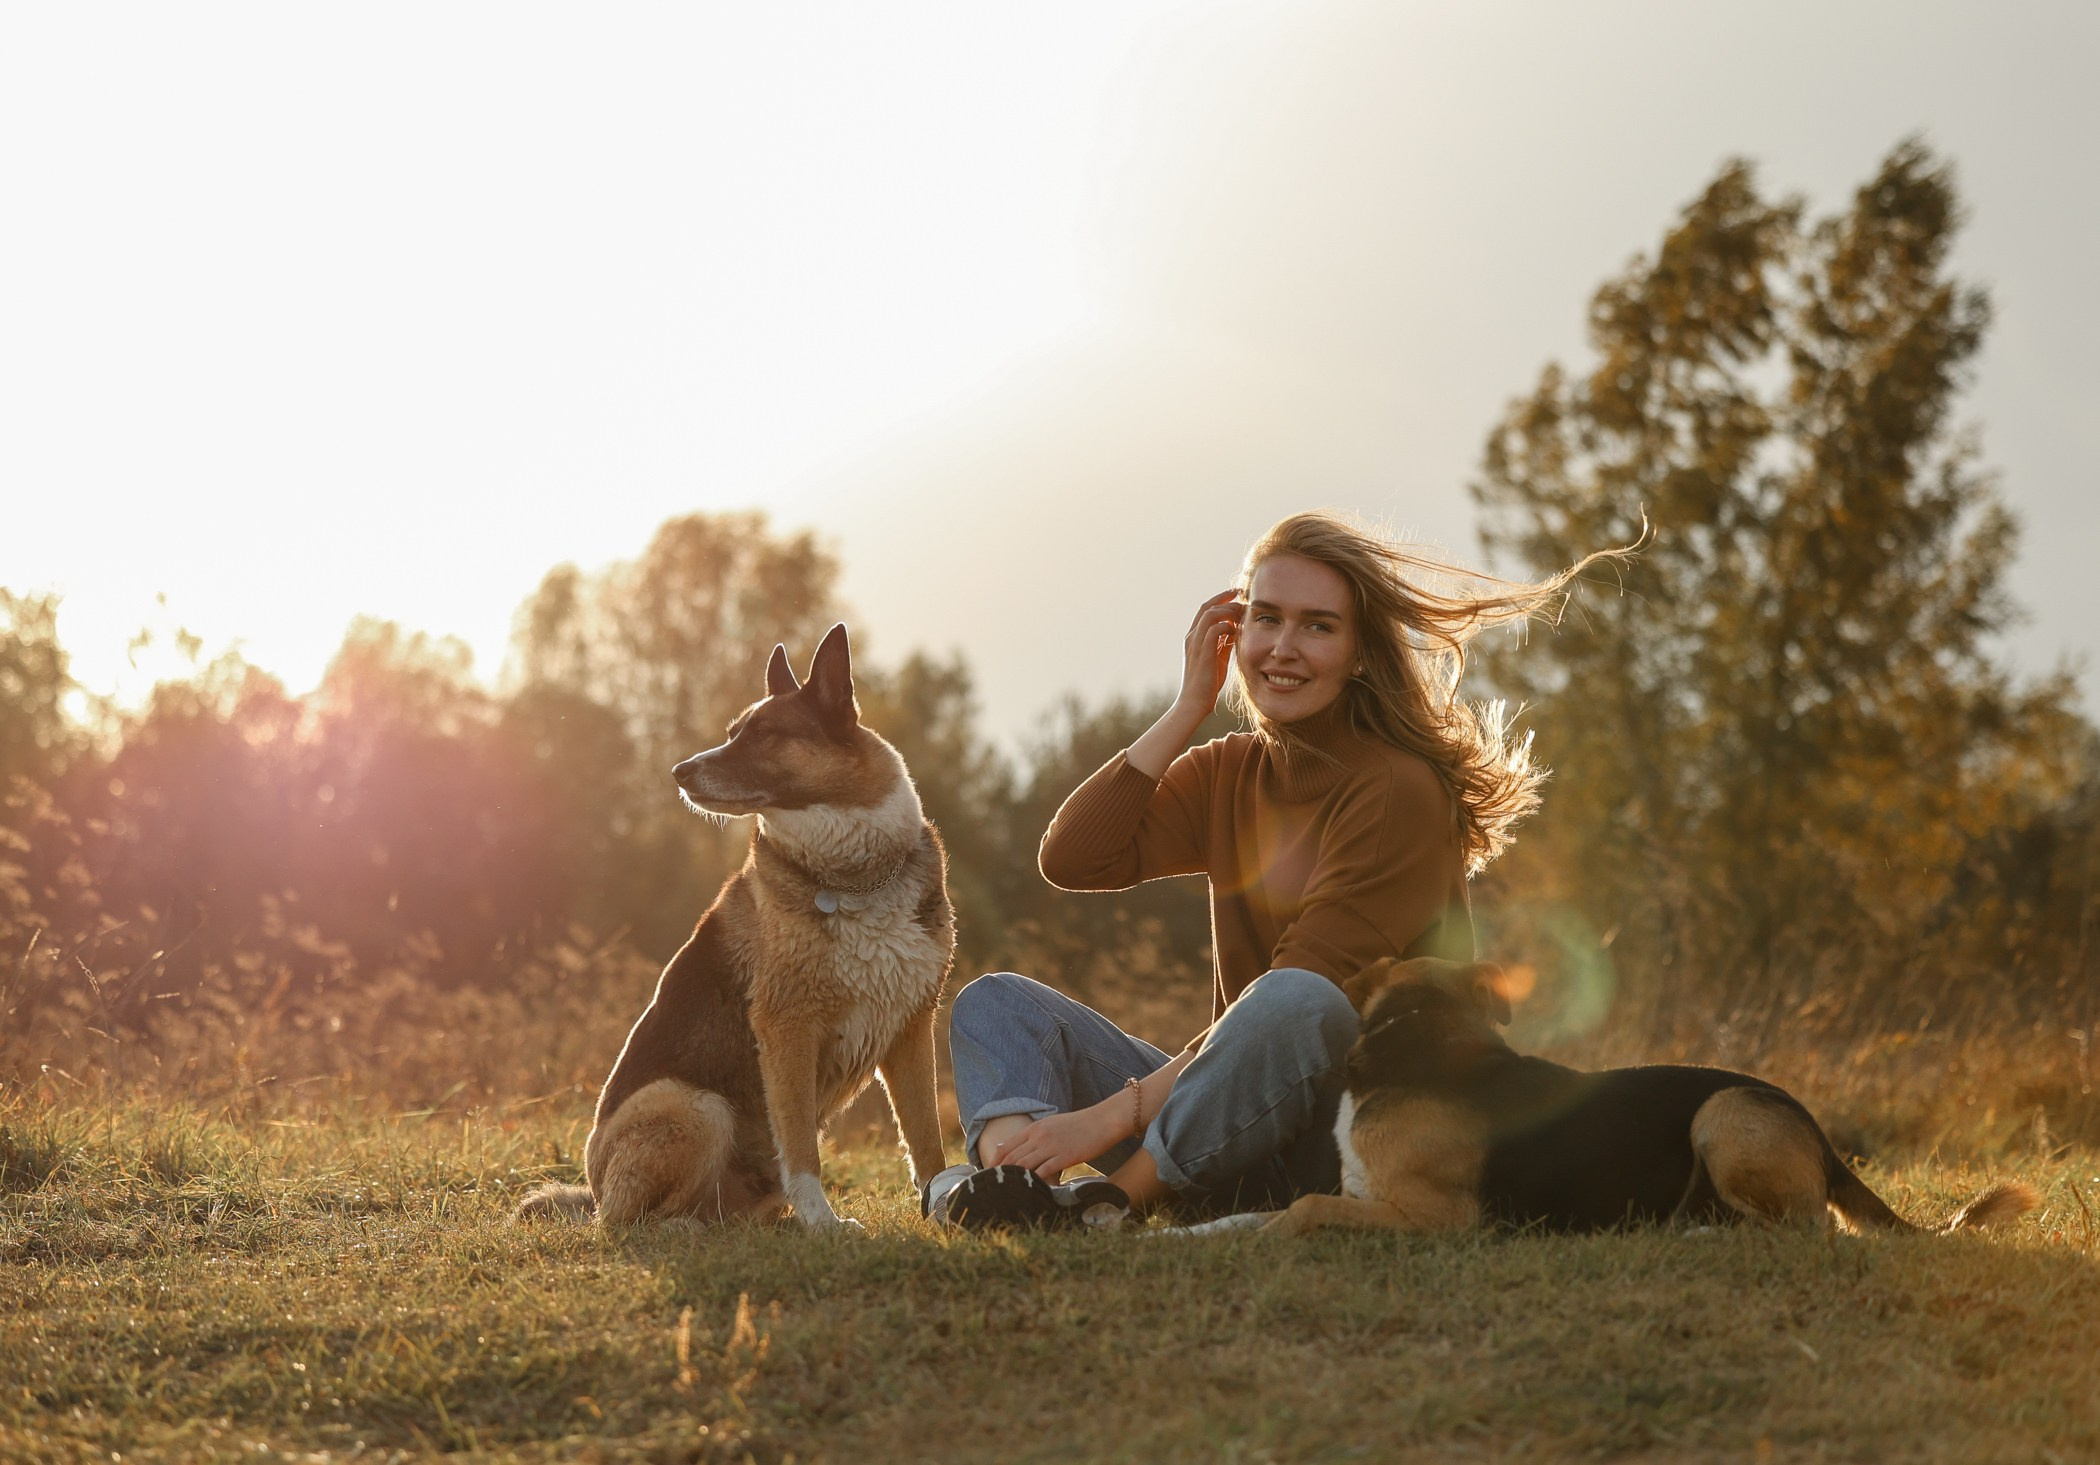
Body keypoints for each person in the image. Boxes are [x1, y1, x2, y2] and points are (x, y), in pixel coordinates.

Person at [926, 511, 1614, 1230]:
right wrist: (1189, 704)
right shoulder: (1230, 768)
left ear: (1359, 654)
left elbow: (1298, 1004)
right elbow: (1073, 857)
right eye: (1267, 618)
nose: (1284, 647)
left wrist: (1104, 1121)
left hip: (1350, 1144)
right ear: (1234, 632)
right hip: (1224, 1120)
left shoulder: (1396, 790)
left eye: (1318, 625)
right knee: (999, 1003)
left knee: (1297, 1000)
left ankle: (1106, 1205)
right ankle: (1012, 1188)